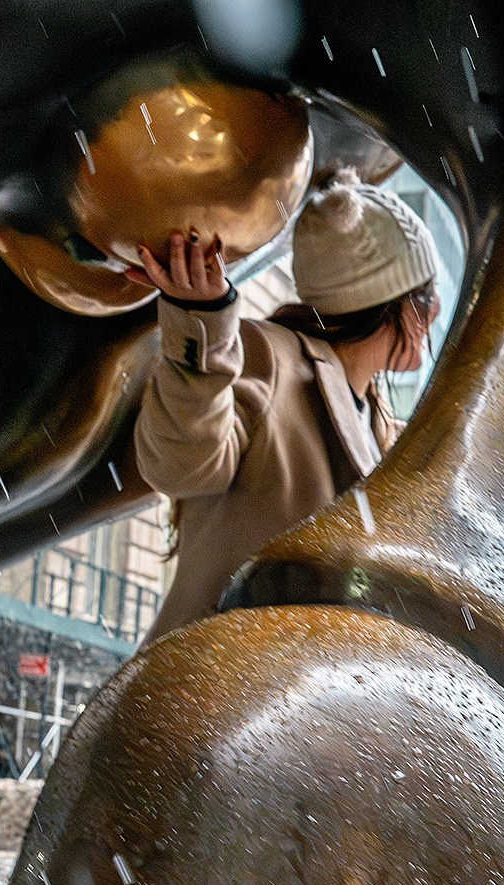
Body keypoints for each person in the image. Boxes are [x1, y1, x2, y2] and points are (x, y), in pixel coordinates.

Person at [126, 168, 441, 641]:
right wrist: (201, 324)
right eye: (427, 296)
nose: (436, 312)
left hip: (304, 680)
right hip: (220, 674)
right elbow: (180, 466)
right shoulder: (269, 356)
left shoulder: (383, 428)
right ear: (391, 302)